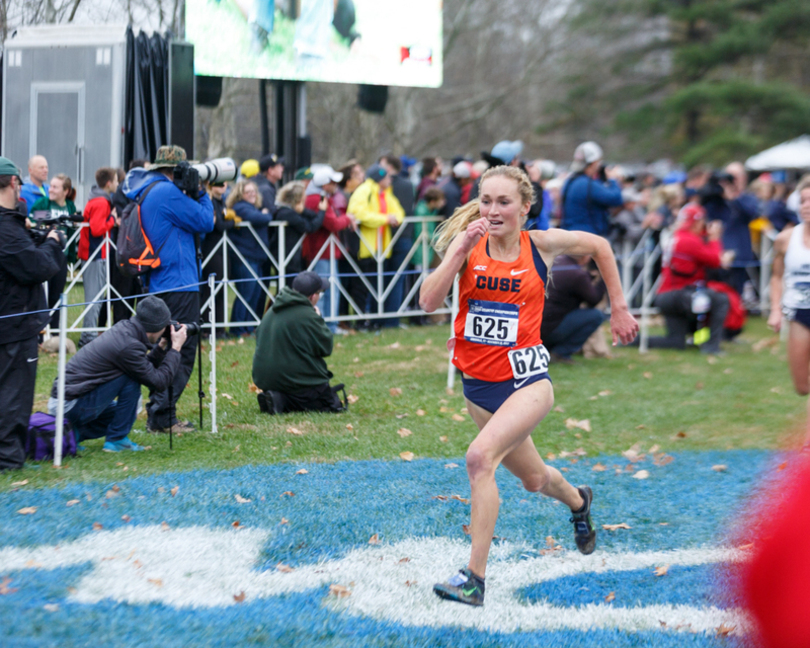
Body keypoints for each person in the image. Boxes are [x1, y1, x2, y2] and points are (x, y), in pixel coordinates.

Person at [419, 165, 638, 606]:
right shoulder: (469, 245)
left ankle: (474, 579)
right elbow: (426, 302)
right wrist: (459, 248)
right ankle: (579, 502)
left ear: (525, 207)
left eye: (504, 202)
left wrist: (618, 307)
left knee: (480, 459)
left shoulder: (539, 245)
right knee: (535, 480)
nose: (493, 210)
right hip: (479, 385)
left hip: (527, 381)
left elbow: (599, 246)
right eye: (486, 201)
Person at [122, 145, 214, 434]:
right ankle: (163, 415)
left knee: (163, 348)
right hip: (179, 283)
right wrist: (200, 192)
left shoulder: (150, 191)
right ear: (176, 171)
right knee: (182, 347)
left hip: (163, 283)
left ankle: (158, 412)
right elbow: (206, 220)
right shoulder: (166, 192)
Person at [49, 296, 186, 453]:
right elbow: (159, 382)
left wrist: (161, 345)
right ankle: (117, 440)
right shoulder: (129, 345)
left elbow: (143, 366)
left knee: (121, 413)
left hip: (65, 401)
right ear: (156, 326)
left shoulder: (126, 330)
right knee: (131, 378)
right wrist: (175, 348)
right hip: (68, 404)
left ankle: (72, 435)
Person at [0, 157, 63, 471]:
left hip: (13, 320)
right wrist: (51, 243)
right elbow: (38, 267)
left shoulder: (10, 226)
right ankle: (8, 457)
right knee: (14, 392)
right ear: (14, 183)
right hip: (14, 323)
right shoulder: (6, 230)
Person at [252, 271, 345, 414]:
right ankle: (282, 400)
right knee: (329, 403)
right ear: (313, 296)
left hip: (265, 380)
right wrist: (318, 318)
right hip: (297, 382)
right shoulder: (308, 315)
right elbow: (326, 347)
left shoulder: (272, 309)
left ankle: (277, 398)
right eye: (320, 293)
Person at [646, 204, 730, 355]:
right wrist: (715, 239)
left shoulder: (677, 236)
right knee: (719, 299)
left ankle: (634, 341)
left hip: (667, 296)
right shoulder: (689, 240)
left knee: (675, 342)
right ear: (697, 222)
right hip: (680, 295)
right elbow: (716, 261)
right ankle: (711, 347)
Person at [767, 178, 810, 444]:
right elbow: (775, 277)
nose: (806, 206)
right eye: (803, 201)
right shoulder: (785, 239)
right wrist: (774, 309)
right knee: (802, 386)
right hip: (799, 314)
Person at [347, 164, 405, 327]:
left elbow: (398, 212)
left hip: (381, 248)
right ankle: (360, 322)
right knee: (362, 287)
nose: (389, 180)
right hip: (365, 248)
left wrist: (394, 218)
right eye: (386, 177)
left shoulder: (385, 193)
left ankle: (373, 320)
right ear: (380, 179)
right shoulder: (364, 191)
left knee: (376, 287)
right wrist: (386, 219)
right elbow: (358, 213)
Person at [303, 166, 351, 331]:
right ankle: (326, 325)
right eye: (332, 181)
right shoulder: (316, 199)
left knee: (327, 289)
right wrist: (347, 219)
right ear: (324, 184)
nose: (336, 184)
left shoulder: (317, 197)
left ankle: (329, 324)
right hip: (321, 251)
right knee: (323, 291)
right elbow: (333, 223)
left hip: (324, 251)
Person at [77, 167, 119, 348]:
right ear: (109, 183)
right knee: (95, 297)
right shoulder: (102, 202)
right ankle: (88, 335)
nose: (118, 184)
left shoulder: (95, 198)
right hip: (95, 254)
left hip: (92, 253)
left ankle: (89, 333)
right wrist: (112, 220)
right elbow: (96, 229)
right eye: (116, 180)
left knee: (95, 296)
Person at [226, 179, 273, 336]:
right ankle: (238, 328)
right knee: (246, 293)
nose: (252, 194)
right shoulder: (240, 207)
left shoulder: (252, 208)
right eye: (248, 191)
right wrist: (266, 214)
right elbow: (260, 219)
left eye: (254, 191)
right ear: (240, 194)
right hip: (245, 256)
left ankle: (248, 326)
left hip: (255, 257)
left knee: (254, 293)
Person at [30, 174, 77, 328]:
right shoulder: (41, 204)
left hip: (61, 258)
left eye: (55, 187)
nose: (50, 190)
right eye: (50, 186)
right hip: (43, 255)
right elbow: (34, 225)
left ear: (66, 191)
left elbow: (72, 233)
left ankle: (55, 331)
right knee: (41, 294)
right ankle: (40, 332)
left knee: (56, 295)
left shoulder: (70, 207)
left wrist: (71, 257)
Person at [541, 255, 607, 364]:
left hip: (533, 328)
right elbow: (594, 300)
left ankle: (547, 350)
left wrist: (588, 277)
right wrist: (604, 277)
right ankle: (560, 353)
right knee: (596, 315)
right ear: (585, 256)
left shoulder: (556, 260)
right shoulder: (577, 274)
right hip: (549, 330)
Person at [560, 141, 623, 237]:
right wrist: (612, 180)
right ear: (593, 163)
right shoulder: (589, 184)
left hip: (570, 234)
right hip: (588, 236)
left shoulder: (569, 181)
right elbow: (616, 199)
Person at [200, 180, 235, 335]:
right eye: (217, 183)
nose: (222, 186)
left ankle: (219, 328)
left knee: (220, 289)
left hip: (221, 250)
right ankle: (207, 328)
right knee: (210, 289)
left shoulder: (222, 202)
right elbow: (219, 225)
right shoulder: (209, 201)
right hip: (210, 250)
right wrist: (232, 221)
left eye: (224, 183)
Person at [275, 180, 325, 275]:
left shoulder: (288, 211)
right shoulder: (287, 213)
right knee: (290, 284)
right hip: (287, 256)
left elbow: (313, 218)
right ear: (298, 197)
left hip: (291, 255)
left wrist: (303, 211)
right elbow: (310, 227)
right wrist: (322, 211)